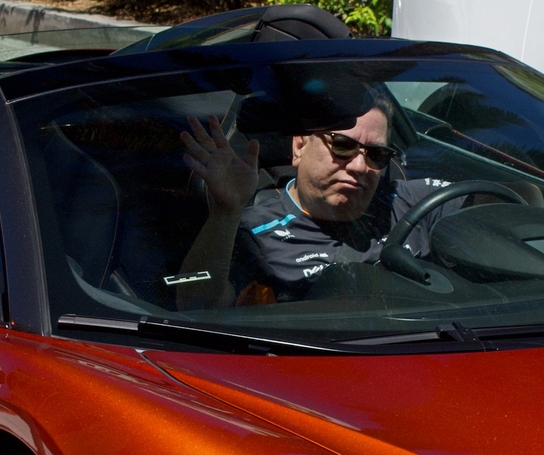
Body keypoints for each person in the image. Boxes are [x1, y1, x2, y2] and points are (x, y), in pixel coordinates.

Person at [174, 93, 445, 308]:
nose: (360, 166)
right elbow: (196, 304)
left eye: (377, 154)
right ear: (300, 146)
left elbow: (483, 204)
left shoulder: (407, 200)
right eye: (342, 145)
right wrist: (226, 213)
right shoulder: (253, 234)